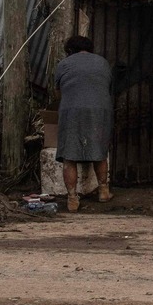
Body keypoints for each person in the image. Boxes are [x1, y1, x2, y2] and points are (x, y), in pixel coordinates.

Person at [53, 36, 114, 212]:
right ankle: (103, 191)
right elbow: (107, 86)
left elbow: (58, 93)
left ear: (70, 50)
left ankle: (72, 199)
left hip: (71, 111)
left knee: (69, 156)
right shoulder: (102, 63)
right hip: (99, 110)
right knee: (99, 150)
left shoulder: (64, 64)